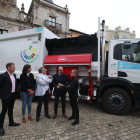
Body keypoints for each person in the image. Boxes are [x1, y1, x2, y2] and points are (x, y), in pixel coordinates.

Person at [0, 62, 20, 136]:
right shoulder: (3, 76)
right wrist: (2, 95)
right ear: (8, 68)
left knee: (11, 109)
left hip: (12, 95)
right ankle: (0, 127)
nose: (14, 68)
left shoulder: (14, 75)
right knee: (4, 111)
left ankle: (11, 122)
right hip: (5, 96)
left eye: (14, 67)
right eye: (13, 67)